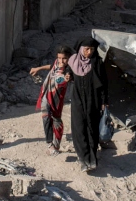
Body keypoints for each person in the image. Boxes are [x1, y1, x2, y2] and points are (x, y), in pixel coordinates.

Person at [68, 37, 108, 172]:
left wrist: (104, 102)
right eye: (86, 49)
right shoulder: (73, 61)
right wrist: (68, 76)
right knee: (79, 127)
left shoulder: (97, 63)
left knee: (92, 127)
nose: (89, 52)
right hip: (78, 99)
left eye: (92, 49)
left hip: (94, 100)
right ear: (80, 49)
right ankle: (83, 158)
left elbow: (104, 83)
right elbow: (67, 72)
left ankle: (92, 158)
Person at [30, 46, 73, 155]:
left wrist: (69, 77)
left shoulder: (69, 69)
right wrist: (38, 69)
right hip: (46, 94)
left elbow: (69, 76)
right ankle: (50, 143)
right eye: (59, 58)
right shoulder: (56, 63)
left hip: (57, 99)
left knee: (56, 120)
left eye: (64, 59)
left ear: (69, 58)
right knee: (46, 117)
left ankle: (56, 145)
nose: (61, 61)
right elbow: (51, 66)